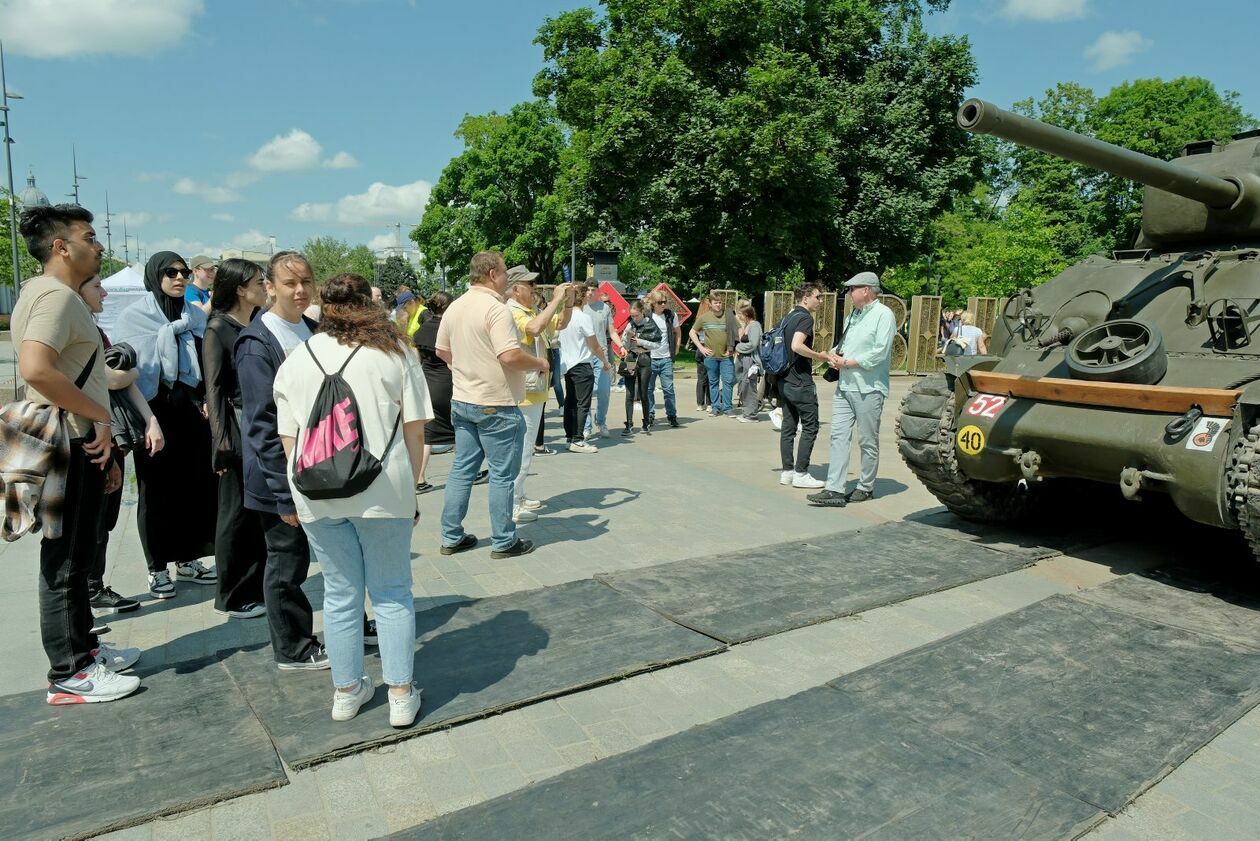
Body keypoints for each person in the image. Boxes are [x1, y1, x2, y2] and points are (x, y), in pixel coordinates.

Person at [274, 273, 430, 727]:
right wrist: (414, 484)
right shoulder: (396, 352)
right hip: (384, 486)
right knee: (392, 591)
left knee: (340, 595)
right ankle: (400, 693)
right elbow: (415, 428)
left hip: (316, 491)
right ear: (369, 306)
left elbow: (289, 437)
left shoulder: (297, 356)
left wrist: (315, 482)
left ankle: (346, 690)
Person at [13, 204, 142, 704]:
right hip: (67, 436)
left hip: (80, 439)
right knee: (65, 560)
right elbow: (36, 369)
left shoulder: (57, 296)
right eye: (90, 237)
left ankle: (86, 652)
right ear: (61, 246)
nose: (100, 245)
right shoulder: (53, 296)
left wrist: (103, 448)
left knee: (80, 551)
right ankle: (68, 672)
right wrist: (102, 417)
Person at [235, 251, 329, 670]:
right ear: (269, 287)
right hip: (280, 481)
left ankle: (351, 624)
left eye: (306, 281)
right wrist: (283, 495)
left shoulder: (313, 329)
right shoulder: (257, 343)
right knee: (287, 565)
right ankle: (293, 647)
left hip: (323, 468)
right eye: (289, 283)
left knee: (335, 556)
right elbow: (261, 426)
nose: (300, 290)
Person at [112, 252, 218, 600]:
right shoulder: (135, 317)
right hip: (152, 413)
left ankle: (187, 559)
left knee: (193, 486)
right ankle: (156, 568)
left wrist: (203, 399)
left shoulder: (192, 317)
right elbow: (128, 374)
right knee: (155, 491)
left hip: (188, 414)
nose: (179, 277)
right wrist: (149, 420)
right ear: (155, 275)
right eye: (170, 272)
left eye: (184, 272)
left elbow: (202, 363)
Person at [436, 251, 549, 558]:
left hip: (463, 400)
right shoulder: (496, 310)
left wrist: (466, 368)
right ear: (492, 274)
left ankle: (451, 536)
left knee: (461, 470)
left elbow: (442, 350)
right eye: (503, 272)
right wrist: (538, 362)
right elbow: (509, 356)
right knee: (502, 475)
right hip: (496, 403)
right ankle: (503, 540)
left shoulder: (455, 307)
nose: (506, 278)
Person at [79, 275, 154, 619]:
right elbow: (112, 378)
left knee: (104, 519)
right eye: (96, 286)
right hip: (93, 438)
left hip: (107, 435)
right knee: (93, 522)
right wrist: (131, 373)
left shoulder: (92, 327)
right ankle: (88, 595)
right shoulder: (82, 330)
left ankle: (92, 590)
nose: (104, 291)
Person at [203, 258, 270, 618]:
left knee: (258, 509)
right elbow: (213, 389)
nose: (264, 286)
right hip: (236, 427)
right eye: (259, 282)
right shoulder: (218, 328)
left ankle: (258, 583)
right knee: (235, 514)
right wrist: (221, 441)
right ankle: (231, 593)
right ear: (240, 288)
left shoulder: (259, 322)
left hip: (263, 423)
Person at [810, 272, 898, 507]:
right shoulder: (853, 315)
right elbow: (845, 343)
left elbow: (880, 352)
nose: (848, 294)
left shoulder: (884, 315)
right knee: (838, 436)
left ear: (866, 290)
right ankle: (834, 489)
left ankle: (866, 486)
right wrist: (832, 353)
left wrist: (848, 363)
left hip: (869, 388)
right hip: (845, 386)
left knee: (867, 440)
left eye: (852, 289)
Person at [505, 267, 572, 523]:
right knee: (521, 451)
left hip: (534, 390)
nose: (534, 289)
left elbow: (559, 324)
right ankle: (511, 504)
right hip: (523, 392)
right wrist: (555, 299)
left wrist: (567, 303)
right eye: (529, 284)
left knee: (527, 449)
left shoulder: (530, 311)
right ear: (515, 288)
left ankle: (519, 495)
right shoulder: (513, 312)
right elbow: (533, 330)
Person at [776, 283, 835, 489]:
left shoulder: (788, 317)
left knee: (788, 427)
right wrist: (819, 356)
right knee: (810, 426)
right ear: (805, 298)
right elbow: (796, 345)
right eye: (817, 297)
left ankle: (788, 472)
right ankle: (801, 473)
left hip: (784, 379)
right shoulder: (805, 318)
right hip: (800, 380)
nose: (820, 301)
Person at [559, 281, 610, 453]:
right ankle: (578, 439)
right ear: (581, 299)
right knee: (583, 404)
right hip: (582, 364)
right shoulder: (583, 317)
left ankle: (570, 436)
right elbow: (594, 345)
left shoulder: (563, 316)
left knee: (570, 402)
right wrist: (605, 361)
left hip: (568, 364)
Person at [413, 291, 455, 493]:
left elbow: (416, 362)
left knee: (427, 434)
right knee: (462, 430)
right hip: (449, 382)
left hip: (428, 384)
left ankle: (419, 479)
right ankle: (467, 473)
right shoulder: (451, 328)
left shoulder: (420, 331)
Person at [690, 291, 739, 416]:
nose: (718, 305)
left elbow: (739, 331)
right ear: (710, 304)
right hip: (710, 356)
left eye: (720, 302)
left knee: (728, 381)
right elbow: (692, 332)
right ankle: (715, 407)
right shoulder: (704, 317)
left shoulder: (729, 316)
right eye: (715, 302)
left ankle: (727, 408)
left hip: (726, 356)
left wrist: (733, 347)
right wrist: (701, 348)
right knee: (713, 382)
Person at [620, 299, 662, 434]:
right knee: (629, 393)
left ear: (642, 312)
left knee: (644, 392)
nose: (634, 318)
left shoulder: (650, 324)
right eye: (632, 316)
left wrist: (640, 341)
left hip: (644, 358)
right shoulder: (630, 325)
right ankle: (629, 424)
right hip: (631, 358)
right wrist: (627, 337)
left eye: (636, 315)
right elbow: (624, 345)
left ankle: (646, 422)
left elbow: (657, 344)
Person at [644, 291, 682, 428]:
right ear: (653, 304)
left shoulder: (671, 315)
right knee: (649, 389)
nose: (664, 304)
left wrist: (676, 347)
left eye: (665, 301)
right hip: (650, 358)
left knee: (669, 389)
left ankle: (672, 416)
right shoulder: (647, 316)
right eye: (661, 302)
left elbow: (678, 332)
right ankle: (649, 414)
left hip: (666, 358)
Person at [583, 286, 614, 438]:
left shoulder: (605, 308)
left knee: (604, 391)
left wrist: (620, 345)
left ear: (598, 292)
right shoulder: (580, 308)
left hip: (602, 354)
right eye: (588, 290)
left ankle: (601, 421)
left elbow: (612, 331)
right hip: (585, 355)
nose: (590, 292)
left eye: (593, 289)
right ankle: (586, 425)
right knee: (587, 392)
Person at [734, 304, 763, 423]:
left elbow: (753, 344)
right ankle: (746, 412)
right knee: (743, 386)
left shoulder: (755, 326)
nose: (739, 316)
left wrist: (739, 347)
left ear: (746, 314)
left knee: (749, 387)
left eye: (740, 314)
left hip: (750, 360)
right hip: (743, 359)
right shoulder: (747, 325)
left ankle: (751, 415)